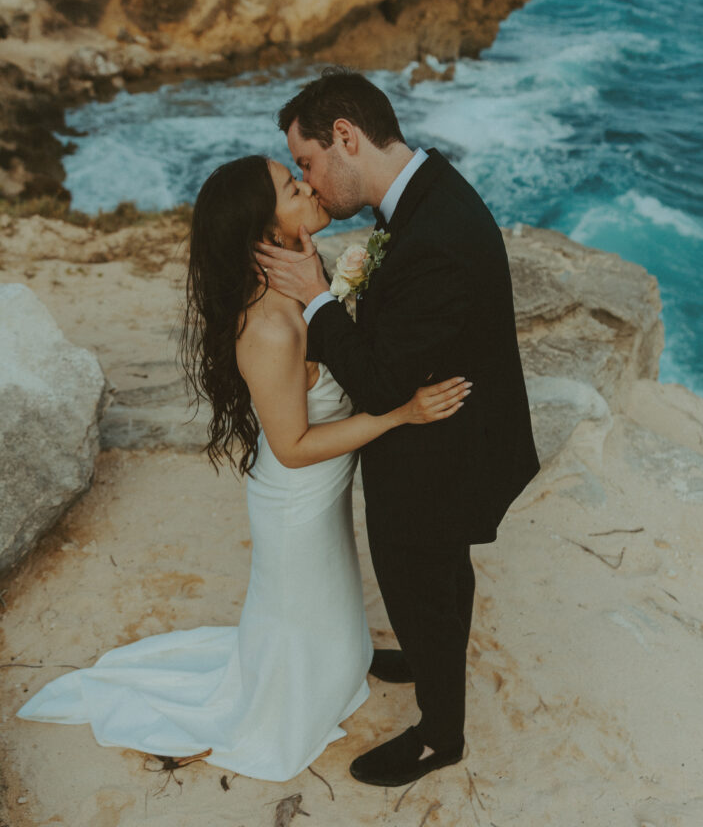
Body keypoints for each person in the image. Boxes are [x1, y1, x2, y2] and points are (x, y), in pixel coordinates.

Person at [16, 154, 468, 782]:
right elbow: (293, 446)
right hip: (296, 499)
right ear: (264, 231)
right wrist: (401, 415)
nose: (308, 186)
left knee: (329, 601)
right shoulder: (269, 328)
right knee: (299, 607)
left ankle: (339, 668)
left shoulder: (302, 286)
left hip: (320, 490)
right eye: (291, 187)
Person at [256, 68, 541, 788]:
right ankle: (422, 653)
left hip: (442, 452)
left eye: (307, 162)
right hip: (454, 431)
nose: (308, 181)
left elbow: (382, 384)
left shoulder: (433, 234)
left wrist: (317, 298)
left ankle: (439, 737)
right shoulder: (422, 193)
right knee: (436, 579)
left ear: (345, 137)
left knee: (420, 578)